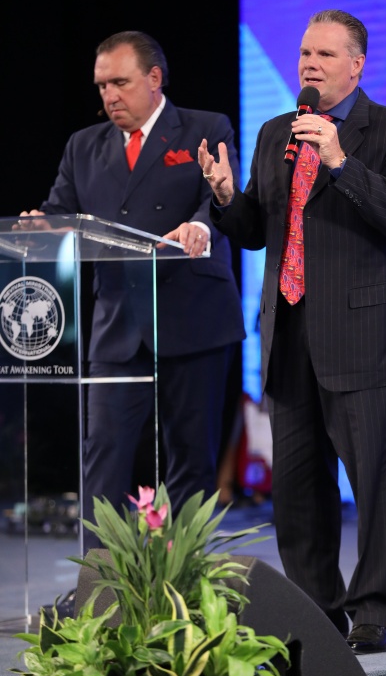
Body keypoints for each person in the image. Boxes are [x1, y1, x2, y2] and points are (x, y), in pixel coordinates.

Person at [167, 9, 386, 654]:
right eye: (305, 53)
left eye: (325, 55)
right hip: (289, 335)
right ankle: (317, 612)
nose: (310, 64)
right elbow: (259, 231)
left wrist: (340, 161)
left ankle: (376, 613)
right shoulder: (274, 133)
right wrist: (226, 198)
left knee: (373, 486)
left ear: (356, 65)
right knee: (299, 492)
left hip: (365, 338)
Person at [17, 30, 245, 563]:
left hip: (192, 318)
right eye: (102, 86)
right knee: (103, 456)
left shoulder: (205, 128)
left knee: (190, 456)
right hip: (117, 325)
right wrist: (41, 226)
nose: (109, 95)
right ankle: (97, 584)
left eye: (119, 82)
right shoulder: (83, 145)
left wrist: (201, 226)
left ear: (154, 78)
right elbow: (61, 211)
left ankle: (184, 579)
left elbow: (220, 199)